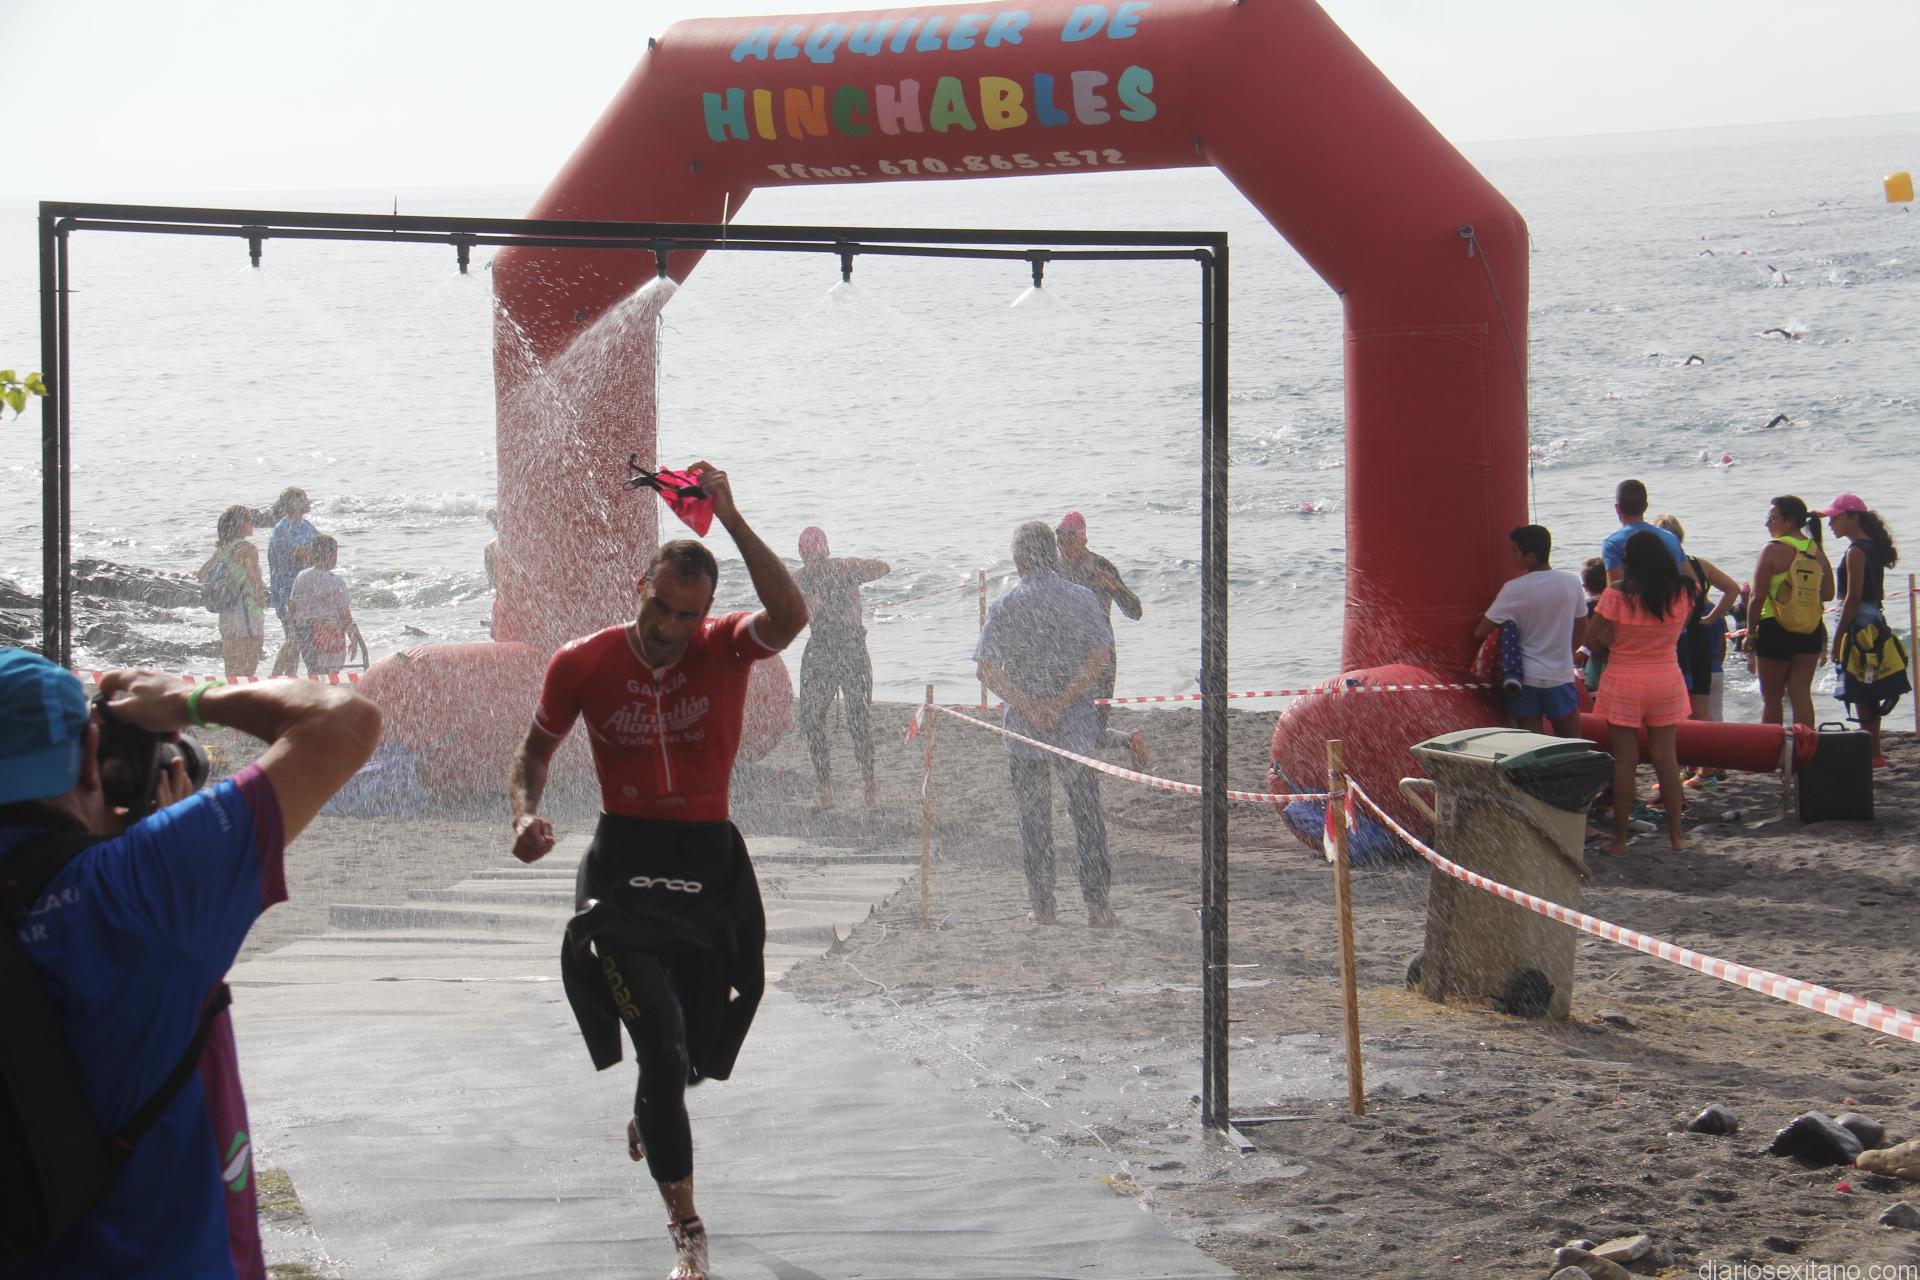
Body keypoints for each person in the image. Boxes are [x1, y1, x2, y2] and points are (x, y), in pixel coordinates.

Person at [505, 462, 805, 1280]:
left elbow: (792, 616)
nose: (669, 626)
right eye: (659, 606)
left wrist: (732, 516)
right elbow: (533, 753)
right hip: (624, 866)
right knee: (663, 1050)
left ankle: (657, 1105)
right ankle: (688, 1232)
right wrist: (524, 815)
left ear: (705, 612)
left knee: (697, 1049)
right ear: (639, 586)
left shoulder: (725, 647)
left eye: (686, 614)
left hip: (708, 865)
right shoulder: (583, 662)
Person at [0, 650, 380, 1277]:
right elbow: (344, 719)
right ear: (92, 757)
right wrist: (185, 700)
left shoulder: (135, 880)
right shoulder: (145, 885)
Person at [976, 521, 1116, 928]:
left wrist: (1030, 705)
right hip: (1073, 727)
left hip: (1027, 729)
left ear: (1019, 562)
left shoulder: (1005, 606)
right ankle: (1097, 906)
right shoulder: (1081, 598)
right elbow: (1100, 658)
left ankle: (1043, 907)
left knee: (1034, 820)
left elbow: (986, 670)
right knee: (1086, 816)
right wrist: (1061, 702)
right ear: (1053, 557)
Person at [1586, 530, 1694, 857]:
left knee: (1625, 761)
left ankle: (1619, 840)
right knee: (1666, 757)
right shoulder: (1683, 591)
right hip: (1666, 676)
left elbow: (1590, 638)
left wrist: (1611, 649)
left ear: (1630, 561)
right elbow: (1679, 628)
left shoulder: (1617, 594)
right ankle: (1676, 837)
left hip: (1623, 677)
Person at [791, 526, 888, 809]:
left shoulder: (838, 571)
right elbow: (883, 567)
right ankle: (837, 790)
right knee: (820, 720)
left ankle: (859, 789)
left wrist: (853, 568)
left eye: (816, 557)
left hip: (841, 649)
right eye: (812, 559)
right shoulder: (807, 578)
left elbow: (883, 568)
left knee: (851, 720)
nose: (816, 564)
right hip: (831, 650)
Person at [1054, 511, 1149, 771]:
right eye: (1060, 540)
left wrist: (1115, 587)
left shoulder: (1101, 567)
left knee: (1094, 729)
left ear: (1083, 539)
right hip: (1065, 656)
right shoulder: (1054, 569)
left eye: (1070, 539)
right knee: (1065, 723)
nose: (1064, 546)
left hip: (1101, 656)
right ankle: (1083, 765)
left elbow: (1135, 612)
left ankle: (1129, 741)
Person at [1472, 525, 1585, 737]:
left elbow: (1480, 631)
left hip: (1526, 678)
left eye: (1515, 551)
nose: (1512, 556)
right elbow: (1581, 624)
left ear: (1531, 556)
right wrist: (1568, 654)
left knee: (1532, 744)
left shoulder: (1513, 589)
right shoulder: (1571, 583)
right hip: (1560, 675)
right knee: (1573, 743)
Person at [1824, 493, 1904, 766]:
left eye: (1835, 518)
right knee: (1869, 686)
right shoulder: (1871, 546)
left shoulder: (1856, 551)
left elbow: (1853, 598)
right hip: (1874, 617)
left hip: (1858, 620)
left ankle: (1872, 753)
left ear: (1853, 517)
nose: (1831, 524)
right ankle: (1875, 751)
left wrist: (1837, 639)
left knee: (1860, 686)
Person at [1746, 494, 1834, 728]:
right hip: (1810, 628)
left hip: (1775, 627)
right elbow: (1828, 594)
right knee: (1801, 694)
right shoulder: (1816, 550)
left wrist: (1750, 633)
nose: (1767, 523)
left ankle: (1770, 748)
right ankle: (1804, 747)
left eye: (1772, 518)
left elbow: (1757, 597)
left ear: (1790, 521)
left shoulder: (1772, 549)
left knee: (1772, 697)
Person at [1651, 514, 1741, 722]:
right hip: (1699, 643)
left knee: (1672, 715)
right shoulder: (1699, 565)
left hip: (1671, 646)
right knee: (1704, 714)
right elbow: (1732, 589)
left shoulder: (1655, 571)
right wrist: (1710, 618)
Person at [197, 504, 269, 679]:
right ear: (240, 524)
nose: (252, 523)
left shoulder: (223, 549)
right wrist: (261, 600)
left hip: (227, 612)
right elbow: (255, 579)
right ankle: (244, 695)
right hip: (247, 611)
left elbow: (201, 575)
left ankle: (229, 694)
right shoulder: (247, 549)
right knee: (249, 666)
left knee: (231, 667)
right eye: (249, 520)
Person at [288, 534, 368, 676]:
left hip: (305, 632)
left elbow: (293, 606)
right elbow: (344, 614)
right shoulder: (336, 582)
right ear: (332, 556)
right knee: (331, 673)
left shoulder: (301, 577)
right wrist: (352, 637)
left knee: (314, 671)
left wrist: (293, 633)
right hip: (329, 632)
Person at [266, 487, 317, 677]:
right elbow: (299, 553)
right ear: (294, 503)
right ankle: (275, 678)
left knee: (298, 641)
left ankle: (290, 678)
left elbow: (323, 546)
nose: (309, 502)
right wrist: (316, 551)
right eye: (304, 498)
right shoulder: (283, 529)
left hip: (306, 592)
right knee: (293, 639)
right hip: (287, 592)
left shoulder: (306, 525)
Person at [1601, 479, 1692, 584]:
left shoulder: (1612, 544)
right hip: (1672, 594)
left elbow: (1615, 590)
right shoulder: (1671, 538)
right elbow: (1693, 583)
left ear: (1617, 508)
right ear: (1645, 506)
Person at [1575, 556, 1609, 697]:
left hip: (1594, 666)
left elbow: (1585, 640)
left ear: (1585, 587)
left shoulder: (1589, 606)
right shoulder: (1618, 603)